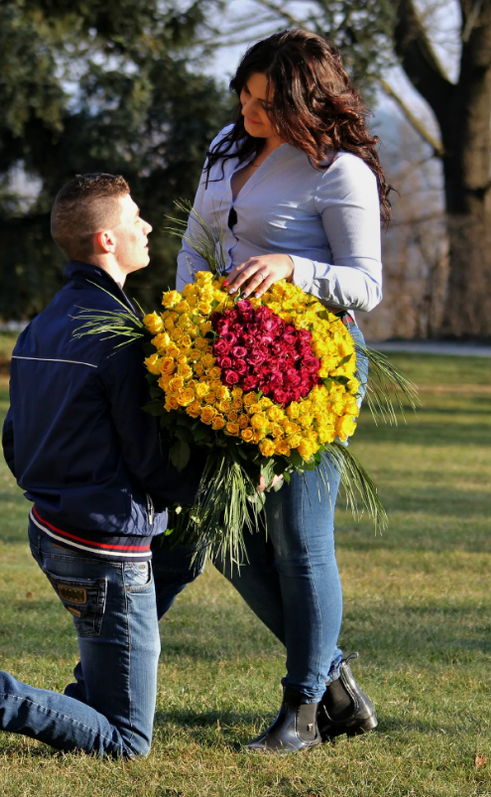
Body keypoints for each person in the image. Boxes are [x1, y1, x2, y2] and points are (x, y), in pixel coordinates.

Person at [0, 173, 200, 760]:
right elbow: (148, 463)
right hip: (105, 548)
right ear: (105, 240)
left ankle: (80, 699)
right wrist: (213, 482)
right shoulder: (121, 336)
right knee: (126, 742)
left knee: (180, 560)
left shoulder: (42, 323)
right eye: (134, 217)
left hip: (52, 529)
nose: (146, 226)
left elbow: (15, 439)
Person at [173, 29, 388, 753]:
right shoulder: (225, 146)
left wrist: (293, 266)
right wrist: (184, 329)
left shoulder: (340, 171)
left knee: (298, 537)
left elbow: (367, 284)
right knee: (225, 532)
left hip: (311, 374)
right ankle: (334, 684)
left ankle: (301, 712)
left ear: (305, 99)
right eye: (243, 91)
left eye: (266, 100)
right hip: (221, 366)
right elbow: (195, 240)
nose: (248, 108)